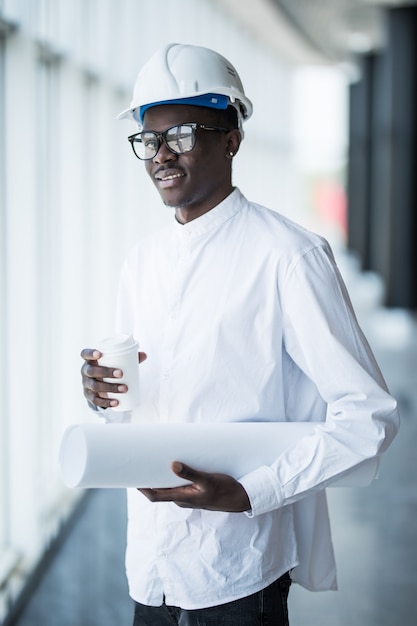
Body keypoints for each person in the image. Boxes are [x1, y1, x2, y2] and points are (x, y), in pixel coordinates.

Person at [81, 43, 400, 626]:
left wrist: (253, 492)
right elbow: (140, 406)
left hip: (237, 570)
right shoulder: (142, 261)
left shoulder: (290, 257)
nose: (159, 155)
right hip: (150, 563)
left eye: (180, 134)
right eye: (148, 140)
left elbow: (369, 415)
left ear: (231, 137)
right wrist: (105, 393)